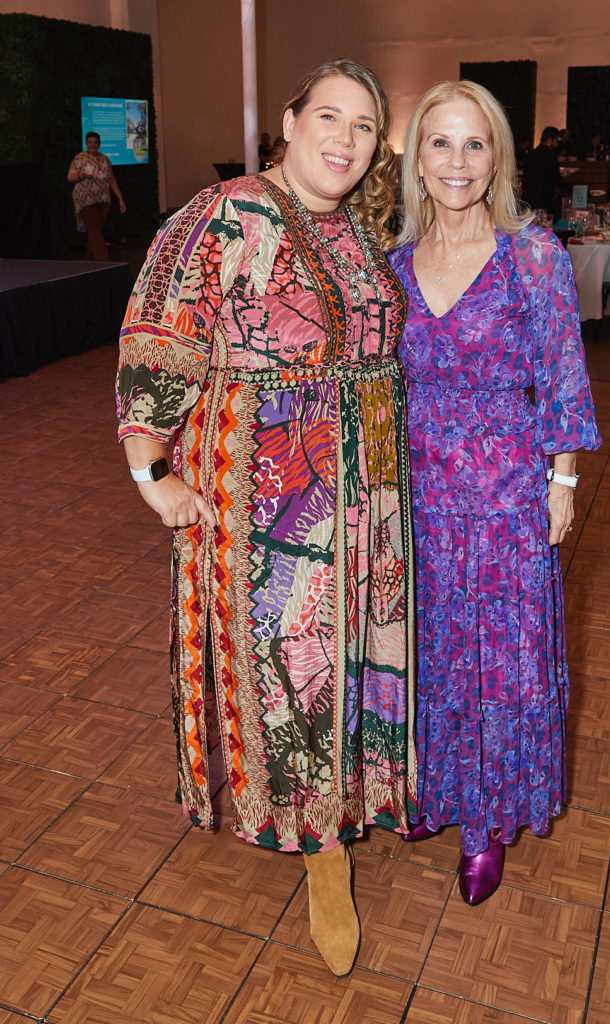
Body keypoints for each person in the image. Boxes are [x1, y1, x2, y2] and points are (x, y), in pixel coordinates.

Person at [115, 59, 415, 977]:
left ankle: (351, 803)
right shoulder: (223, 214)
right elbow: (159, 329)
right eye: (329, 116)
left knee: (354, 655)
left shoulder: (358, 226)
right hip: (274, 498)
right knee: (296, 666)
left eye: (364, 127)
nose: (345, 139)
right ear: (289, 119)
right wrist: (149, 470)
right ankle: (320, 850)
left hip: (366, 493)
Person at [388, 81, 600, 906]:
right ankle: (433, 789)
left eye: (473, 144)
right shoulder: (393, 264)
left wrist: (563, 480)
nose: (456, 162)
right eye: (439, 143)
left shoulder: (534, 254)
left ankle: (485, 821)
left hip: (507, 496)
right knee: (431, 658)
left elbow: (561, 376)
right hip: (416, 498)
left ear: (498, 158)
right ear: (416, 161)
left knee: (498, 666)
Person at [67, 131, 126, 260]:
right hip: (85, 200)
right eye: (90, 142)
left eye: (95, 142)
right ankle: (104, 262)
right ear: (86, 143)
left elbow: (112, 180)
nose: (93, 145)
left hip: (103, 200)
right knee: (94, 229)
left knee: (96, 231)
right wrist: (81, 175)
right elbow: (70, 177)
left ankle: (90, 261)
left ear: (99, 144)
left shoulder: (105, 159)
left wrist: (120, 199)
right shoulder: (80, 158)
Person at [521, 125, 564, 218]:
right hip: (543, 203)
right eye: (556, 141)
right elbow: (556, 180)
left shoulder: (530, 154)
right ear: (549, 140)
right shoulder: (550, 157)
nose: (557, 145)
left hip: (527, 201)